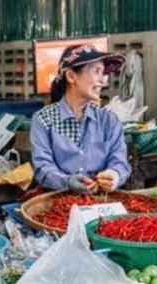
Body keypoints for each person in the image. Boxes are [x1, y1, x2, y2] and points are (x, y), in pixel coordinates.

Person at [31, 44, 131, 193]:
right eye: (96, 71)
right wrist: (67, 182)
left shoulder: (108, 120)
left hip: (101, 201)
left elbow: (120, 163)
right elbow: (42, 167)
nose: (102, 80)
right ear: (71, 76)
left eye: (102, 72)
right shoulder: (43, 119)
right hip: (59, 201)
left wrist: (114, 175)